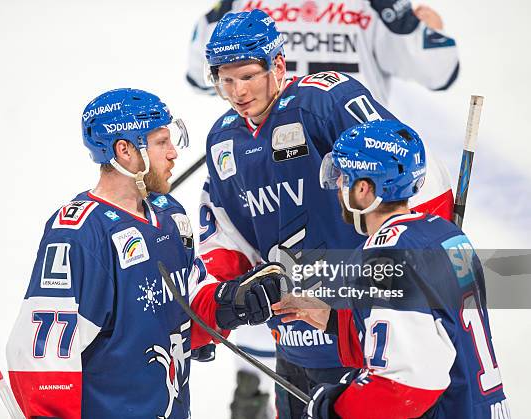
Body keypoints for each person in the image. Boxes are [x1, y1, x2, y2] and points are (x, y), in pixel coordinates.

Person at [195, 9, 454, 419]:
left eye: (247, 76)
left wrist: (430, 249)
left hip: (362, 337)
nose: (237, 91)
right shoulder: (222, 139)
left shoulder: (326, 99)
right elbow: (228, 234)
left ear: (277, 64)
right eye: (225, 79)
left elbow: (410, 168)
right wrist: (221, 305)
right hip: (293, 339)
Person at [5, 88, 286, 419]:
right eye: (161, 142)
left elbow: (185, 310)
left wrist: (230, 303)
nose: (173, 154)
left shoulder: (170, 216)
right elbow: (42, 360)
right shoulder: (80, 234)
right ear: (124, 150)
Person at [273, 119, 510, 418]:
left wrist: (338, 409)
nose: (336, 186)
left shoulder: (385, 256)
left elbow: (406, 386)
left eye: (343, 177)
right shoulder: (445, 234)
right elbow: (431, 332)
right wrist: (333, 319)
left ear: (363, 189)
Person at [186, 0, 459, 105]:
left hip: (269, 161)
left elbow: (200, 74)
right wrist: (429, 31)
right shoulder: (376, 3)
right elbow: (438, 70)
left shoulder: (237, 4)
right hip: (358, 162)